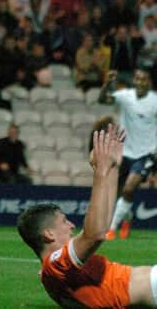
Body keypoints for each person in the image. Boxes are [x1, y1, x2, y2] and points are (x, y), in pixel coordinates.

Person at [17, 124, 157, 308]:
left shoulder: (54, 272)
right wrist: (100, 171)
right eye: (64, 221)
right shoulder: (55, 266)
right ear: (49, 234)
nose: (71, 225)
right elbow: (95, 234)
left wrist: (112, 168)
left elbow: (103, 225)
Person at [98, 68, 157, 240]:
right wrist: (107, 83)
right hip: (123, 152)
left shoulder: (154, 101)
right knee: (118, 192)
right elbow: (102, 100)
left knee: (129, 188)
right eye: (137, 79)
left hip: (146, 153)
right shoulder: (125, 96)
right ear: (134, 80)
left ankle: (111, 228)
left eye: (144, 79)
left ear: (149, 83)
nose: (140, 82)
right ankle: (127, 217)